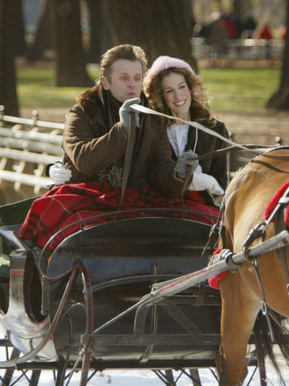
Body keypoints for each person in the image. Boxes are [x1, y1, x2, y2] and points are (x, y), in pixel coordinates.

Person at [19, 44, 216, 250]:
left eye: (137, 78)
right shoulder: (83, 113)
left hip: (137, 200)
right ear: (105, 82)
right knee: (77, 234)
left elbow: (160, 172)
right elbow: (84, 161)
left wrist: (179, 174)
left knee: (206, 222)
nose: (132, 85)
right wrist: (122, 131)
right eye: (124, 78)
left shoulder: (152, 118)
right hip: (88, 198)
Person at [144, 56, 229, 205]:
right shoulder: (153, 130)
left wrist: (210, 183)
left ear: (192, 89)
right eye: (169, 91)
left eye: (182, 87)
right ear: (161, 96)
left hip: (202, 212)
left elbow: (221, 184)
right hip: (160, 210)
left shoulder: (214, 129)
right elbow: (150, 178)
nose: (178, 96)